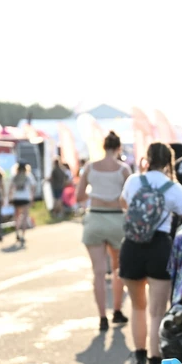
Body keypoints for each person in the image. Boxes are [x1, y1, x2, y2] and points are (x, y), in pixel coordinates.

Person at [120, 142, 182, 364]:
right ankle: (155, 363)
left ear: (148, 158)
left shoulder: (133, 181)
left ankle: (138, 358)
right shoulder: (173, 187)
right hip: (160, 247)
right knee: (156, 311)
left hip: (131, 246)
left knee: (137, 307)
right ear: (168, 161)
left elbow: (123, 204)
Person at [75, 130, 131, 331]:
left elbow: (79, 196)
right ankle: (117, 310)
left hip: (95, 218)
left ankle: (102, 318)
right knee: (118, 269)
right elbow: (130, 197)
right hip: (117, 219)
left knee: (98, 272)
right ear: (118, 148)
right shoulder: (123, 169)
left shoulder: (90, 167)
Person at [9, 162, 35, 246]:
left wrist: (10, 198)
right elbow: (33, 186)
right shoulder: (28, 176)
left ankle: (17, 232)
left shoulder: (14, 176)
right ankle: (23, 235)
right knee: (24, 216)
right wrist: (32, 197)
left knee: (17, 216)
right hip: (25, 198)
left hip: (16, 198)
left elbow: (11, 188)